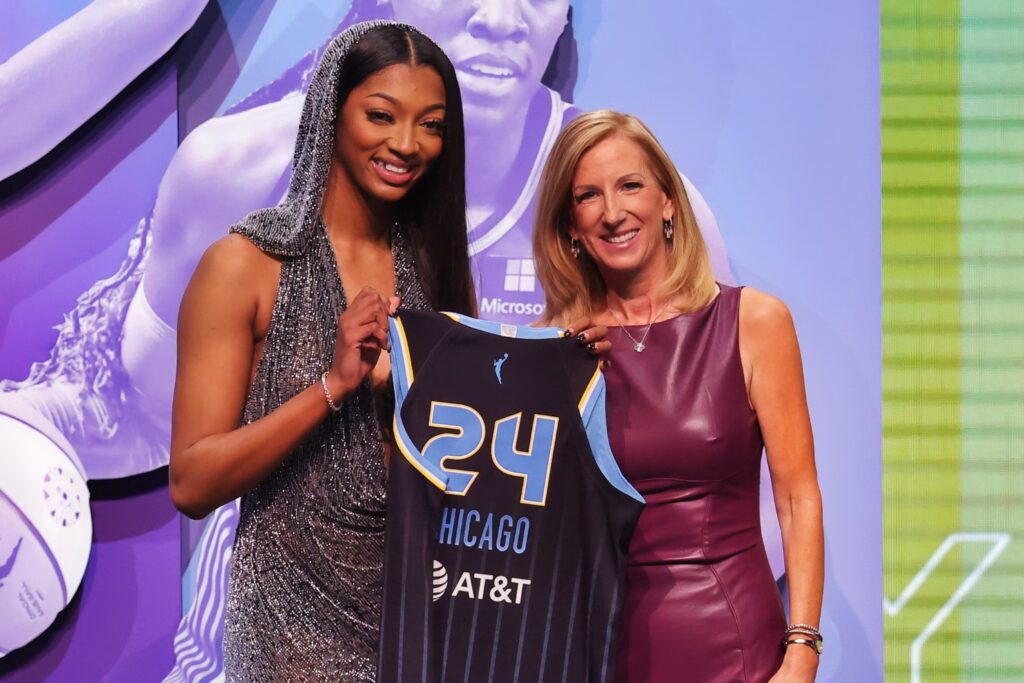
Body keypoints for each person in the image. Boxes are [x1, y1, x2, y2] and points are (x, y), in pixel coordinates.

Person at [167, 22, 475, 680]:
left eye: (430, 125)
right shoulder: (246, 264)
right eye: (381, 115)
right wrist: (333, 386)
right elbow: (192, 482)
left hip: (420, 620)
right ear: (330, 114)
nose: (406, 144)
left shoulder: (436, 273)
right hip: (290, 632)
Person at [533, 110, 824, 682]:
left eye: (630, 185)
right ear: (570, 226)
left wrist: (802, 651)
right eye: (588, 195)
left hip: (735, 646)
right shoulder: (553, 351)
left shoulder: (753, 321)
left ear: (668, 201)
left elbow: (798, 498)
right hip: (596, 652)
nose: (612, 212)